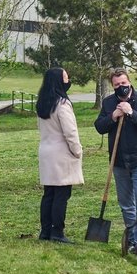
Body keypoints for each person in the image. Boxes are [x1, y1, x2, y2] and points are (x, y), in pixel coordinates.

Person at [94, 67, 137, 259]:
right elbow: (99, 127)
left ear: (129, 82)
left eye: (123, 83)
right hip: (119, 160)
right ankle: (132, 238)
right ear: (112, 86)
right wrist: (113, 116)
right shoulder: (108, 103)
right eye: (116, 85)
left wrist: (131, 113)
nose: (120, 87)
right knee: (125, 203)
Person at [36, 66, 83, 244]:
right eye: (65, 77)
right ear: (58, 81)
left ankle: (45, 231)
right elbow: (70, 132)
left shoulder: (43, 103)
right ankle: (57, 232)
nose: (68, 80)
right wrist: (77, 150)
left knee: (49, 194)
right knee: (61, 195)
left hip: (46, 151)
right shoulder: (62, 104)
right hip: (62, 153)